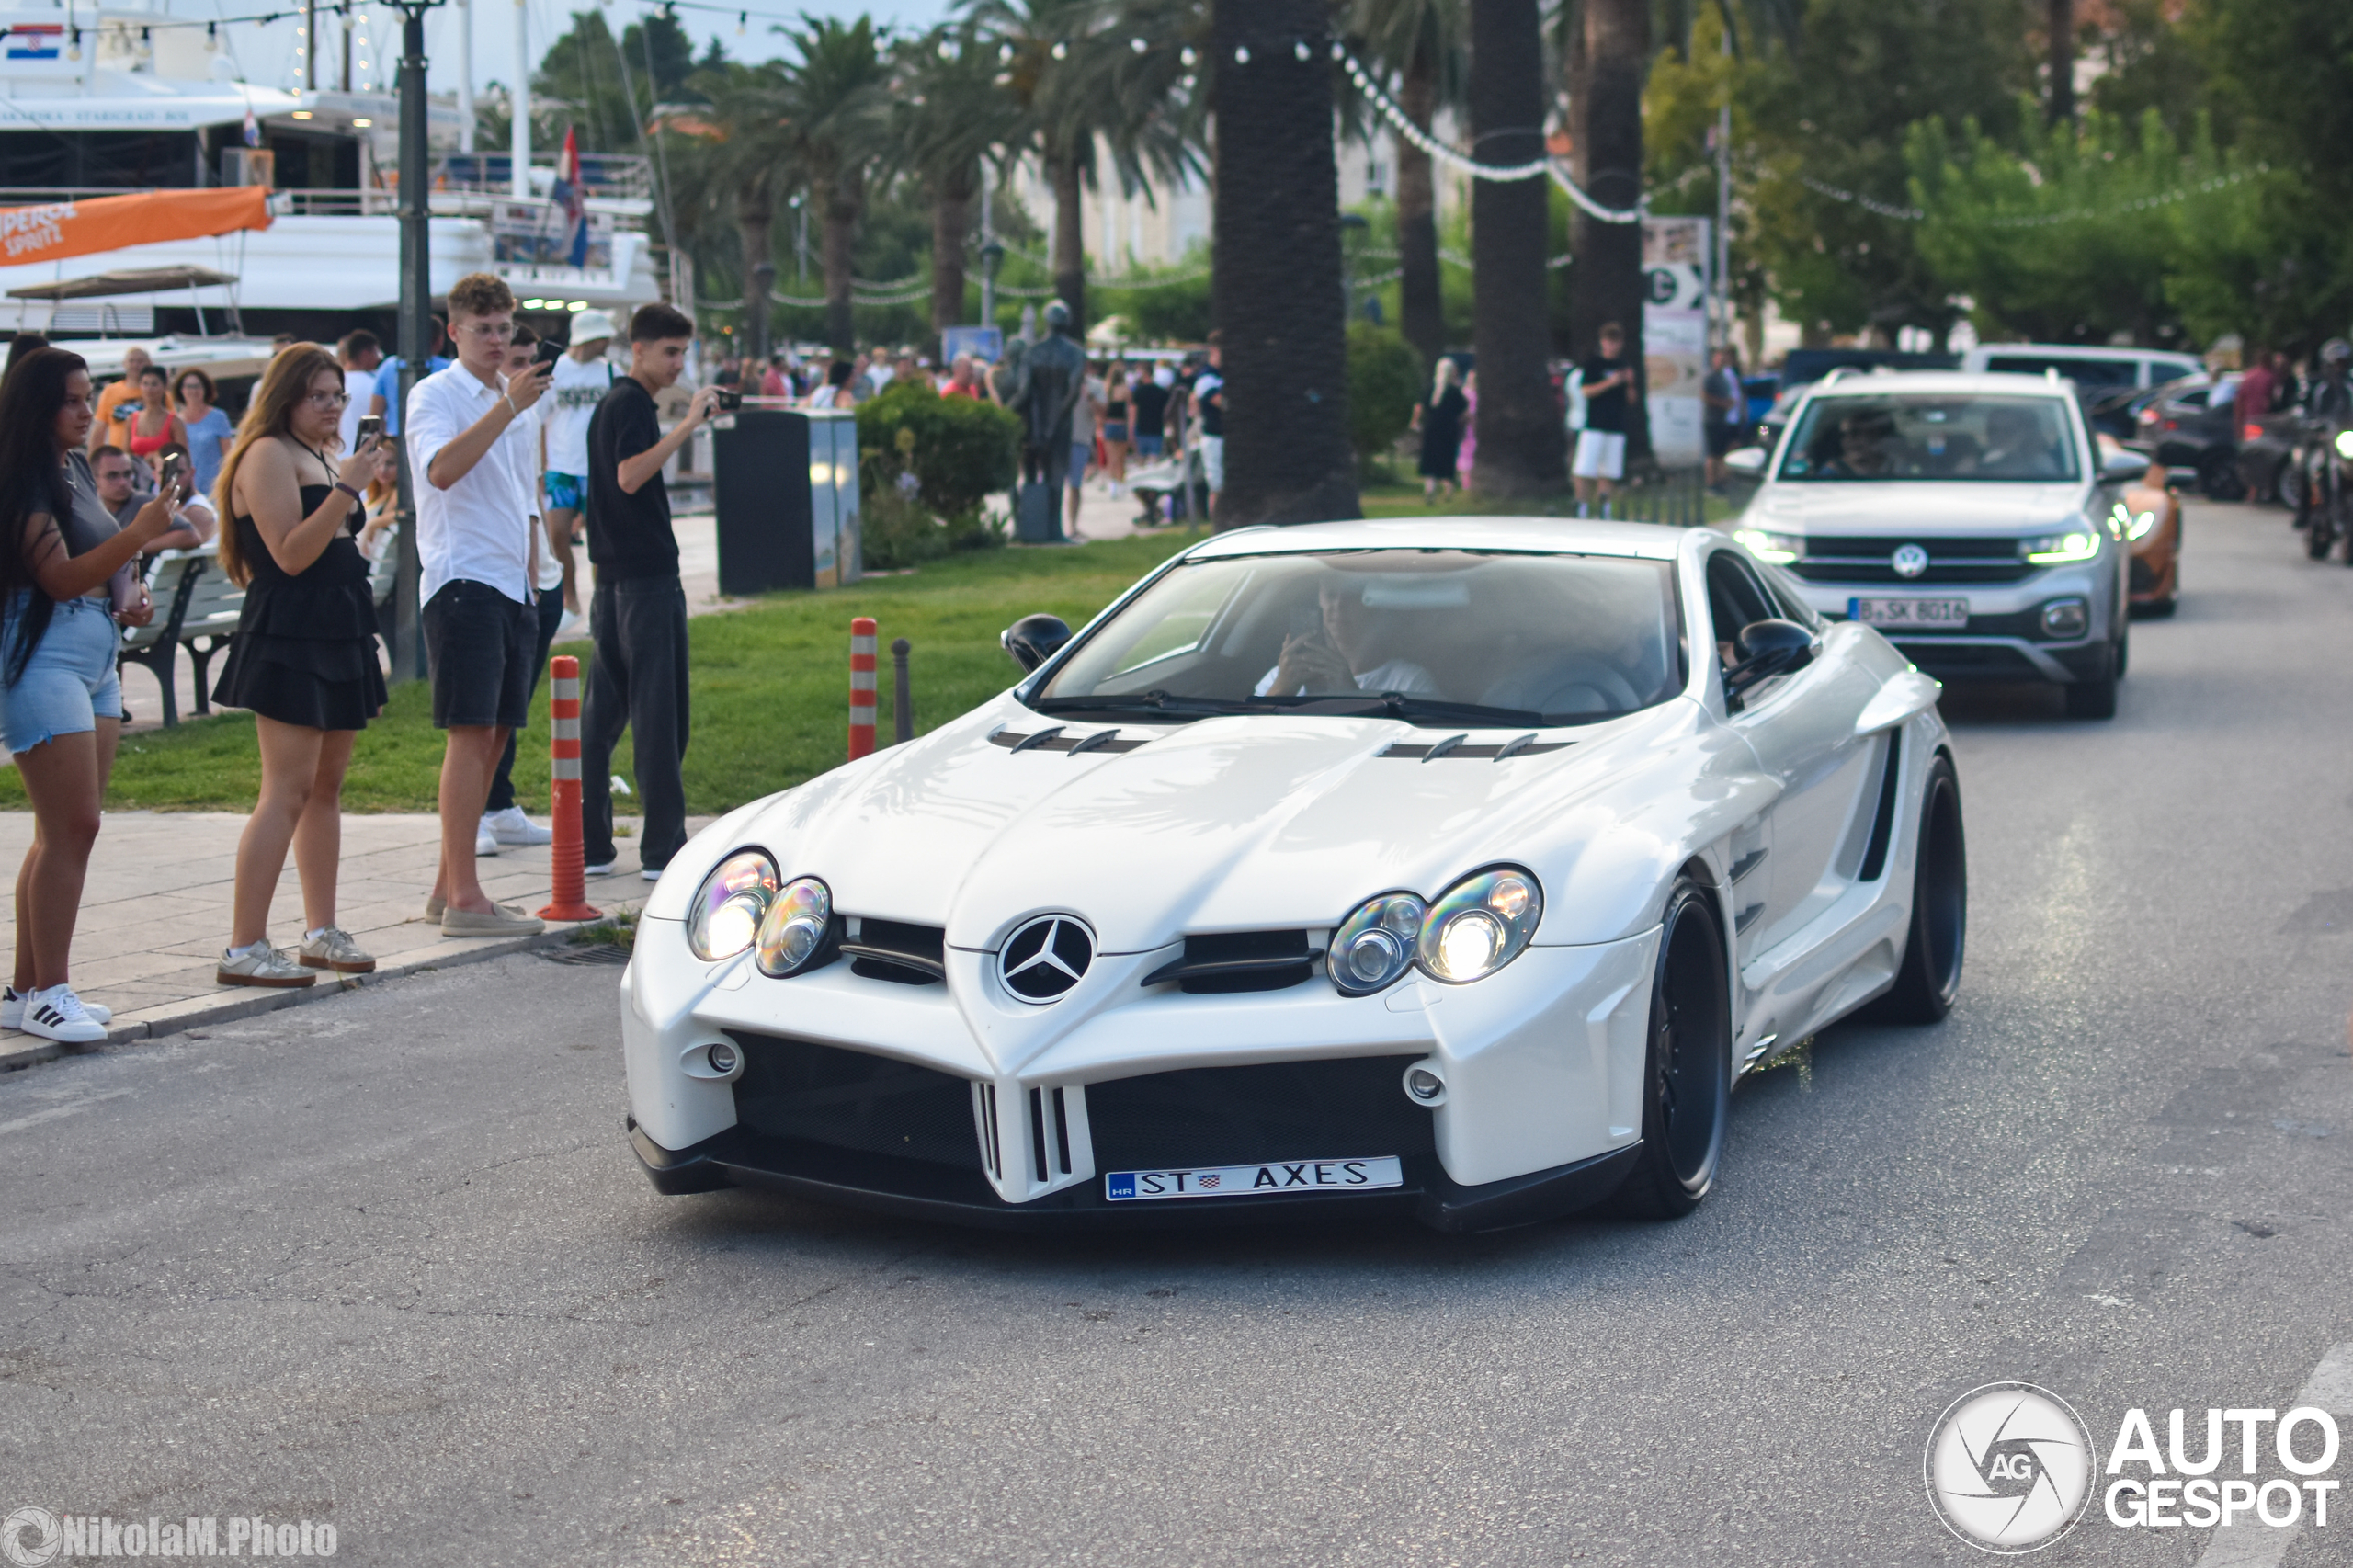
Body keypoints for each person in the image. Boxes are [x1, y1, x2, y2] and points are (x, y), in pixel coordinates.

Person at [0, 347, 177, 1041]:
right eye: (74, 400)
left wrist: (130, 592)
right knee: (76, 825)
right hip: (40, 654)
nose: (90, 411)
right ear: (38, 404)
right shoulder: (19, 478)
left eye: (89, 397)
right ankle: (51, 991)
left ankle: (23, 990)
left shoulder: (71, 466)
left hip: (96, 652)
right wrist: (137, 532)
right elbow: (59, 578)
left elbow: (99, 568)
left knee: (63, 829)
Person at [207, 345, 390, 986]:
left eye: (338, 395)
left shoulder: (322, 454)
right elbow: (289, 553)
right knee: (285, 790)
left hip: (338, 625)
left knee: (325, 790)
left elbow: (338, 541)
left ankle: (320, 930)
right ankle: (244, 945)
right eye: (318, 395)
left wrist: (353, 486)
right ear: (285, 396)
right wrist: (347, 489)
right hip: (290, 628)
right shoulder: (266, 454)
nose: (332, 407)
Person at [406, 272, 551, 937]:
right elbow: (440, 471)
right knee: (470, 734)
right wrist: (507, 410)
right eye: (483, 328)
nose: (497, 340)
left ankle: (448, 887)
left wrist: (535, 573)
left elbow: (520, 494)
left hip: (509, 582)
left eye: (504, 328)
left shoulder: (506, 395)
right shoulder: (436, 394)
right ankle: (465, 896)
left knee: (495, 734)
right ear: (454, 331)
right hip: (461, 578)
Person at [579, 303, 717, 883]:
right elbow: (630, 475)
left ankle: (590, 842)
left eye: (683, 352)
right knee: (660, 717)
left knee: (601, 718)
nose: (677, 363)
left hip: (613, 581)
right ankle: (662, 847)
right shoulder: (632, 403)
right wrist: (687, 426)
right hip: (644, 583)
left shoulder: (610, 403)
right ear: (638, 349)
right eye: (669, 351)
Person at [478, 324, 563, 857]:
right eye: (518, 361)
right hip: (490, 574)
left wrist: (542, 567)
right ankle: (478, 811)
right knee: (479, 709)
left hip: (538, 572)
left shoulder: (532, 415)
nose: (530, 373)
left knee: (514, 704)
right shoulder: (482, 413)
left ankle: (499, 802)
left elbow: (532, 493)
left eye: (536, 362)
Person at [540, 308, 616, 634]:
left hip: (598, 468)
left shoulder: (612, 371)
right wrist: (543, 467)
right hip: (561, 467)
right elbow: (541, 421)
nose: (606, 343)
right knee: (557, 536)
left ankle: (602, 606)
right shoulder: (556, 371)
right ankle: (570, 601)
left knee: (600, 541)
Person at [1255, 578, 1438, 698]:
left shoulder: (1410, 683)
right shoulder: (1279, 676)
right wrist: (1284, 687)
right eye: (1331, 595)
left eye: (1352, 597)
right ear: (1319, 602)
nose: (1339, 606)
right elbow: (1252, 737)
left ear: (1375, 604)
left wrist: (1350, 693)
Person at [1574, 323, 1640, 517]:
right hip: (1594, 425)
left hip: (1616, 426)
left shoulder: (1624, 365)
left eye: (1616, 342)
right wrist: (1610, 383)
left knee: (1610, 471)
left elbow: (1631, 400)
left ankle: (1605, 508)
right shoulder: (1594, 364)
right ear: (1603, 342)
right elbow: (1586, 391)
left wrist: (1629, 383)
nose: (1612, 346)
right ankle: (1582, 508)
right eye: (1609, 342)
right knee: (1585, 469)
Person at [369, 317, 450, 437]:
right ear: (440, 340)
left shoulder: (389, 366)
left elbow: (375, 414)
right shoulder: (449, 368)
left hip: (395, 440)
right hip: (436, 438)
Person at [173, 367, 234, 498]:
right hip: (188, 490)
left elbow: (228, 455)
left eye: (197, 386)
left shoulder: (218, 417)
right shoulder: (176, 421)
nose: (193, 391)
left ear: (205, 389)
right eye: (189, 386)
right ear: (182, 390)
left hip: (215, 489)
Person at [1413, 358, 1467, 502]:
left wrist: (1415, 422)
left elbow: (1420, 407)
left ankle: (1430, 489)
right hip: (1448, 430)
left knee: (1430, 459)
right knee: (1447, 459)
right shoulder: (1454, 392)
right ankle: (1448, 492)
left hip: (1431, 429)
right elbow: (1464, 412)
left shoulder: (1431, 389)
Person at [122, 363, 186, 467]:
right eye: (145, 384)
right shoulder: (131, 419)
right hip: (138, 478)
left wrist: (159, 457)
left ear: (165, 387)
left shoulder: (175, 421)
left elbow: (183, 456)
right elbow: (125, 456)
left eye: (154, 384)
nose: (149, 389)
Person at [90, 346, 150, 454]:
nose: (135, 365)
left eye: (140, 361)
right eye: (131, 361)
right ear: (124, 364)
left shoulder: (159, 392)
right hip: (117, 457)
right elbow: (99, 428)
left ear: (149, 363)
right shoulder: (110, 391)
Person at [1067, 359, 1105, 534]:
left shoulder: (1095, 386)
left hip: (1080, 438)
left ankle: (1073, 526)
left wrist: (1088, 395)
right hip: (1060, 439)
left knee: (1075, 484)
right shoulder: (1064, 382)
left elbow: (1103, 412)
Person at [1702, 347, 1745, 491]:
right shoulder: (1710, 377)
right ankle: (1711, 483)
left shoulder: (1728, 376)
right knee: (1713, 454)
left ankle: (1722, 482)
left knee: (1723, 453)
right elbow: (1705, 396)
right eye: (1720, 359)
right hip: (1713, 420)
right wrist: (1723, 403)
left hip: (1726, 421)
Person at [1192, 335, 1225, 517]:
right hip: (1214, 437)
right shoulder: (1206, 378)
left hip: (1224, 436)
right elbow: (1220, 402)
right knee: (1217, 484)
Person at [337, 330, 382, 453]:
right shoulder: (376, 386)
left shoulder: (334, 383)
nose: (378, 359)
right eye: (376, 353)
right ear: (365, 354)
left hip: (333, 459)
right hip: (362, 460)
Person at [1100, 363, 1131, 497]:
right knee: (1121, 459)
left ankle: (1112, 486)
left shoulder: (1106, 389)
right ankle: (1121, 485)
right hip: (1121, 424)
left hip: (1109, 425)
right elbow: (1129, 410)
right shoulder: (1126, 390)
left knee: (1111, 458)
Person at [1131, 363, 1171, 460]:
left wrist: (1131, 431)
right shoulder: (1162, 392)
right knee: (1154, 460)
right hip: (1157, 430)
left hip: (1142, 430)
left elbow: (1133, 413)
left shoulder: (1138, 392)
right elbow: (1167, 412)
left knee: (1141, 461)